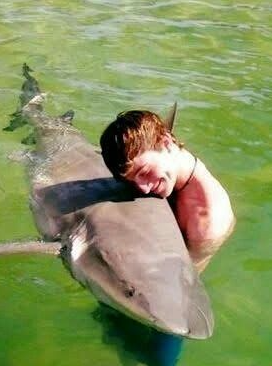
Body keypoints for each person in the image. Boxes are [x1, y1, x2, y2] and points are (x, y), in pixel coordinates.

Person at [100, 109, 236, 273]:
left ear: (166, 143)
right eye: (132, 181)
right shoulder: (166, 160)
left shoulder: (204, 225)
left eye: (144, 172)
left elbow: (180, 279)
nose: (143, 188)